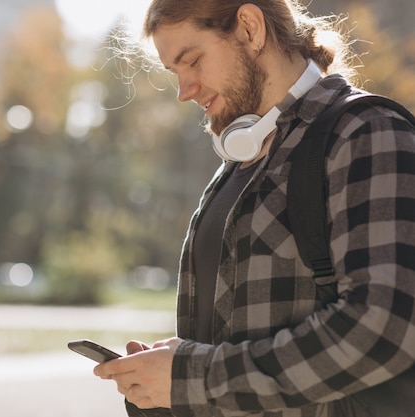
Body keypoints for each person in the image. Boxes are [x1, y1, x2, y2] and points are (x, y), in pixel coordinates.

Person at [93, 1, 415, 416]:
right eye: (175, 72)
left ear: (249, 28)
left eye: (192, 61)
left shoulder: (367, 132)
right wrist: (162, 383)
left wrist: (192, 377)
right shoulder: (239, 163)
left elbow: (381, 330)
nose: (184, 90)